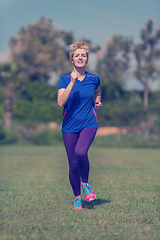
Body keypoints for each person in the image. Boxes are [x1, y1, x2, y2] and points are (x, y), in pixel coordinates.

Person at [57, 41, 102, 209]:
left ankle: (86, 184)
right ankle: (77, 197)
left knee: (81, 152)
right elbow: (61, 102)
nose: (80, 58)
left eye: (83, 55)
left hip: (89, 122)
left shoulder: (93, 78)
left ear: (87, 59)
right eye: (77, 55)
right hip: (69, 126)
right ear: (72, 59)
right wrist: (72, 83)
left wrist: (97, 100)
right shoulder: (64, 79)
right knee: (73, 165)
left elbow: (97, 90)